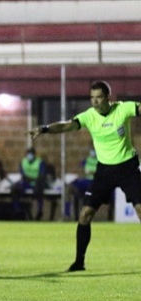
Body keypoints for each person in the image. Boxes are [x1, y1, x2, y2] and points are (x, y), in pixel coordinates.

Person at [30, 80, 141, 271]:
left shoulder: (123, 109)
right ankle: (79, 262)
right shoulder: (89, 116)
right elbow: (66, 126)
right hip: (104, 170)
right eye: (92, 98)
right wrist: (44, 129)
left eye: (99, 98)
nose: (95, 102)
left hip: (127, 169)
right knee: (85, 214)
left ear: (108, 98)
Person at [11, 147, 48, 220]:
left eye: (31, 154)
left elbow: (42, 175)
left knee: (39, 191)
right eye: (28, 154)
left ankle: (39, 211)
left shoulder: (40, 162)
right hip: (26, 182)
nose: (29, 156)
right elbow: (23, 174)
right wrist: (29, 179)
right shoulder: (23, 162)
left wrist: (33, 179)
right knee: (14, 188)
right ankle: (17, 210)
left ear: (34, 155)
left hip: (37, 182)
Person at [66, 148, 98, 220]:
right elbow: (78, 168)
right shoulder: (86, 160)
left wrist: (92, 172)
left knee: (88, 197)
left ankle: (85, 214)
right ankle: (67, 214)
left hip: (93, 182)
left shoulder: (100, 160)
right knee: (69, 188)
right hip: (84, 181)